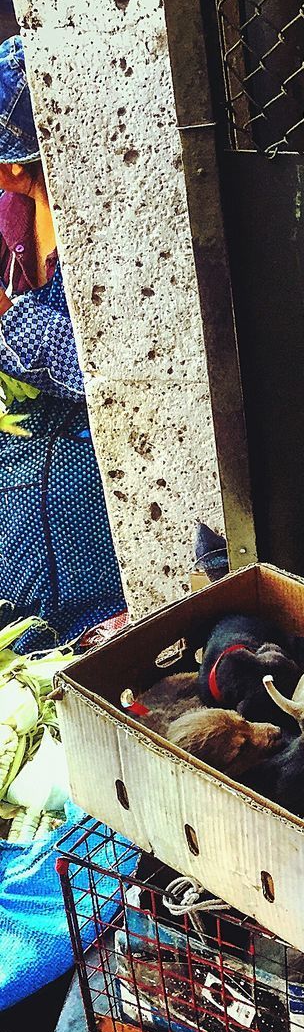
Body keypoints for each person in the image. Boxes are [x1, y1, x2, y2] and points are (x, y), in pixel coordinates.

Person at [0, 35, 124, 650]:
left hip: (86, 473)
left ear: (17, 163)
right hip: (22, 466)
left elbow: (93, 371)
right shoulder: (11, 217)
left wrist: (8, 325)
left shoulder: (100, 227)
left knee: (86, 624)